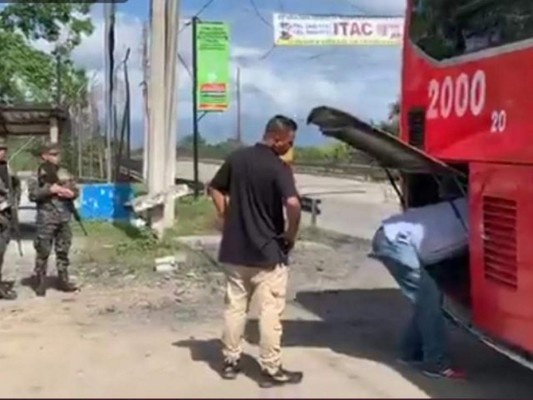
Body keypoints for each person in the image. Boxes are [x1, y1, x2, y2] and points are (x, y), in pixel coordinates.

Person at [209, 115, 302, 388]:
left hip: (235, 249)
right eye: (289, 142)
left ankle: (230, 361)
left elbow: (214, 187)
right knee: (270, 311)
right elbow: (294, 204)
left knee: (235, 308)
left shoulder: (237, 158)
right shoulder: (278, 167)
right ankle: (271, 370)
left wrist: (225, 216)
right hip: (268, 254)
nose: (289, 147)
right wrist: (291, 234)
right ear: (276, 138)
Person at [369, 196, 468, 379]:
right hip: (396, 242)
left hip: (392, 235)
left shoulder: (466, 205)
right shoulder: (475, 219)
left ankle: (410, 351)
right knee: (429, 300)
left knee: (429, 299)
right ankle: (436, 363)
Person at [28, 142, 79, 297]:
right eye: (54, 154)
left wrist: (72, 193)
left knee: (63, 250)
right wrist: (50, 190)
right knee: (43, 250)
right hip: (46, 218)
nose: (57, 157)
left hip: (64, 217)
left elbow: (75, 189)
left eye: (58, 154)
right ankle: (40, 281)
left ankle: (63, 280)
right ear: (45, 156)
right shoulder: (37, 174)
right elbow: (32, 195)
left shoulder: (64, 172)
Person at [0, 136, 20, 300]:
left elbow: (15, 186)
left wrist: (14, 204)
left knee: (1, 252)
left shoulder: (6, 168)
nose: (1, 152)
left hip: (5, 217)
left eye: (3, 149)